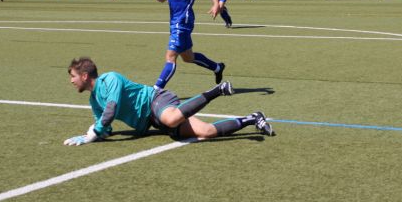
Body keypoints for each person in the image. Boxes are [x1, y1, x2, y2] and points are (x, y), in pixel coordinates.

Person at [63, 57, 274, 146]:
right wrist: (92, 132)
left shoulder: (110, 79)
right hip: (153, 121)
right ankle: (252, 119)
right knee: (207, 132)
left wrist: (95, 132)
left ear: (84, 76)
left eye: (72, 76)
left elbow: (111, 110)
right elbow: (105, 126)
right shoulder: (93, 99)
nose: (71, 81)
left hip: (156, 101)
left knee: (172, 119)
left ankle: (216, 91)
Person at [152, 0, 225, 91]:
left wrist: (216, 3)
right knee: (188, 57)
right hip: (173, 21)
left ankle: (154, 92)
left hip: (183, 21)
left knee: (170, 57)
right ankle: (217, 67)